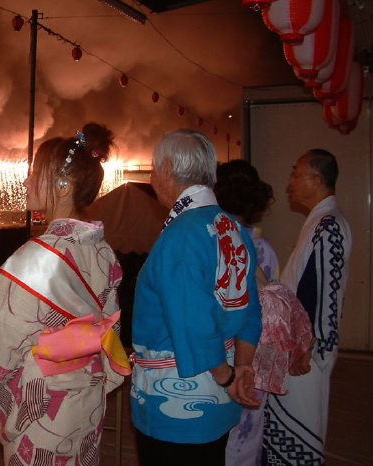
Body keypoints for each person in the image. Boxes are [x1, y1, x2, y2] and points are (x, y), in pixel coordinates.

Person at [0, 123, 131, 465]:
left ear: (62, 185)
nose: (26, 182)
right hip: (87, 397)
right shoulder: (102, 251)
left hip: (41, 405)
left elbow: (0, 343)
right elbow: (109, 328)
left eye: (34, 174)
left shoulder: (34, 260)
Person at [130, 129, 263, 466]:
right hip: (218, 398)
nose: (151, 177)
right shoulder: (229, 225)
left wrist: (229, 377)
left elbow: (192, 324)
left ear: (168, 169)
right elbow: (250, 307)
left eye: (154, 168)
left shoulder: (183, 233)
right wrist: (242, 365)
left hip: (179, 406)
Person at [215, 160, 312, 466]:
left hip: (228, 352)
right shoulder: (263, 246)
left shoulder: (221, 243)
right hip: (259, 352)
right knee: (249, 431)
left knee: (228, 432)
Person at [262, 149, 352, 465]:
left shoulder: (328, 226)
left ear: (315, 180)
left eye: (296, 174)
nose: (291, 182)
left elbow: (323, 293)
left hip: (305, 353)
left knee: (298, 432)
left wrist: (307, 347)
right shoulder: (319, 223)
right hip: (299, 346)